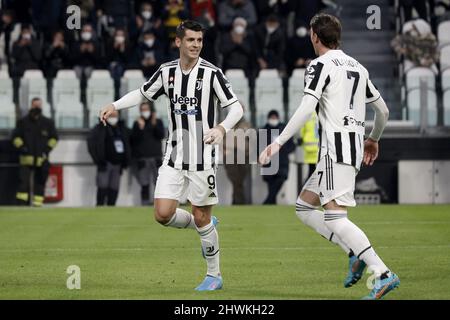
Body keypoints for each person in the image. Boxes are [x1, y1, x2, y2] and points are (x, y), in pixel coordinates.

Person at [259, 13, 400, 299]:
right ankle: (354, 252)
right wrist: (373, 138)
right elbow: (383, 111)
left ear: (314, 36)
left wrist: (278, 142)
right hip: (352, 148)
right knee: (304, 207)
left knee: (336, 219)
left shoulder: (318, 66)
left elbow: (307, 107)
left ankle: (382, 273)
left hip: (336, 150)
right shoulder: (358, 67)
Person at [99, 20, 244, 291]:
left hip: (202, 157)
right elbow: (142, 94)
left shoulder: (212, 74)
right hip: (174, 155)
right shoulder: (166, 72)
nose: (196, 45)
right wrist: (114, 105)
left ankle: (214, 275)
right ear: (178, 42)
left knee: (200, 215)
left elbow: (236, 108)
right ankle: (205, 226)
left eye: (199, 40)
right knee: (162, 214)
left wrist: (222, 128)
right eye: (190, 40)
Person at [12, 97, 58, 206]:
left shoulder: (48, 122)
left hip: (42, 159)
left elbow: (54, 138)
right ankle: (22, 207)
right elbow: (15, 137)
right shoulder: (22, 122)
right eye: (35, 105)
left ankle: (37, 206)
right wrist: (21, 147)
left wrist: (47, 149)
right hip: (26, 159)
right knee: (23, 185)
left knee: (40, 184)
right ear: (31, 106)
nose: (37, 107)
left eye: (38, 105)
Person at [87, 110, 131, 206]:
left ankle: (111, 208)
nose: (113, 118)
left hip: (118, 164)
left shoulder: (122, 129)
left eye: (115, 115)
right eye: (111, 115)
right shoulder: (99, 128)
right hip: (105, 164)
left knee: (114, 188)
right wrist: (98, 160)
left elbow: (131, 142)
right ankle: (100, 208)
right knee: (102, 187)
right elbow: (91, 145)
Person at [130, 102, 165, 205]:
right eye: (143, 110)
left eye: (146, 109)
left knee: (158, 183)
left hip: (156, 158)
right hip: (142, 159)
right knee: (144, 183)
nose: (145, 112)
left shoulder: (157, 122)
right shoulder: (137, 123)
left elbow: (161, 135)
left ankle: (159, 204)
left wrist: (154, 124)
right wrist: (140, 128)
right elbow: (133, 140)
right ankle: (144, 203)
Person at [260, 110, 295, 204]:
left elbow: (291, 146)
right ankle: (271, 204)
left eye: (275, 117)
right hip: (268, 163)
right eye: (272, 118)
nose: (273, 119)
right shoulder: (263, 130)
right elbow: (259, 147)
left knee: (280, 180)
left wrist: (283, 151)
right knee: (271, 185)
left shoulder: (284, 130)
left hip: (282, 162)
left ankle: (267, 202)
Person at [299, 112, 319, 178]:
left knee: (311, 172)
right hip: (320, 148)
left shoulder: (307, 114)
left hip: (309, 148)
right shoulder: (322, 113)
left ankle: (306, 187)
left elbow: (302, 132)